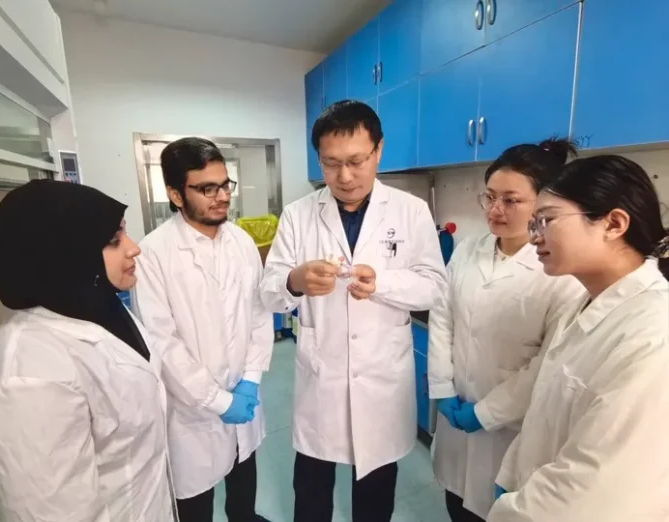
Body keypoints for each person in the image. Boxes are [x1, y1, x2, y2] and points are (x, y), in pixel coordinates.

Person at [260, 100, 448, 522]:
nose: (344, 176)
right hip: (321, 380)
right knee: (311, 491)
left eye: (356, 161)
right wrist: (295, 281)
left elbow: (434, 287)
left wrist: (383, 283)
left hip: (381, 378)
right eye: (331, 164)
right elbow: (270, 294)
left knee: (375, 495)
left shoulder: (410, 210)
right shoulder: (298, 215)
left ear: (378, 150)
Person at [0, 180, 175, 521]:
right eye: (114, 240)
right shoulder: (27, 380)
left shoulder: (100, 308)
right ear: (65, 253)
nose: (133, 249)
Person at [489, 156, 669, 522]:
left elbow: (593, 486)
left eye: (547, 220)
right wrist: (512, 477)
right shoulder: (588, 303)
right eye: (534, 222)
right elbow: (544, 410)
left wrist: (507, 511)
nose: (534, 236)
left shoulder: (653, 335)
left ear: (613, 224)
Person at [428, 139, 584, 521]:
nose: (495, 209)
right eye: (490, 196)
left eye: (511, 200)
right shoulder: (467, 250)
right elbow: (442, 316)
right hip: (456, 413)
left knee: (496, 510)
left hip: (511, 428)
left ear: (543, 204)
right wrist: (442, 387)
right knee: (455, 502)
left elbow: (548, 363)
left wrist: (486, 413)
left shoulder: (562, 273)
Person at [133, 137, 273, 522]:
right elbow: (162, 343)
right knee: (195, 503)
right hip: (190, 412)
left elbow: (258, 314)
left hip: (243, 395)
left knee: (243, 487)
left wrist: (250, 379)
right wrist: (218, 401)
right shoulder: (153, 254)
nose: (222, 197)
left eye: (225, 185)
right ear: (176, 194)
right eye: (207, 188)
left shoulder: (241, 242)